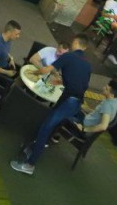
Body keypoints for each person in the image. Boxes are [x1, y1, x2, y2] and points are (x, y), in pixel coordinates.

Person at [10, 35, 92, 176]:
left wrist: (34, 72)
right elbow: (81, 85)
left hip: (68, 101)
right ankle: (33, 148)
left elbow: (45, 70)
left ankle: (30, 165)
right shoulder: (88, 65)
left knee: (46, 128)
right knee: (49, 123)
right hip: (74, 101)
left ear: (76, 43)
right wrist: (61, 82)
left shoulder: (68, 56)